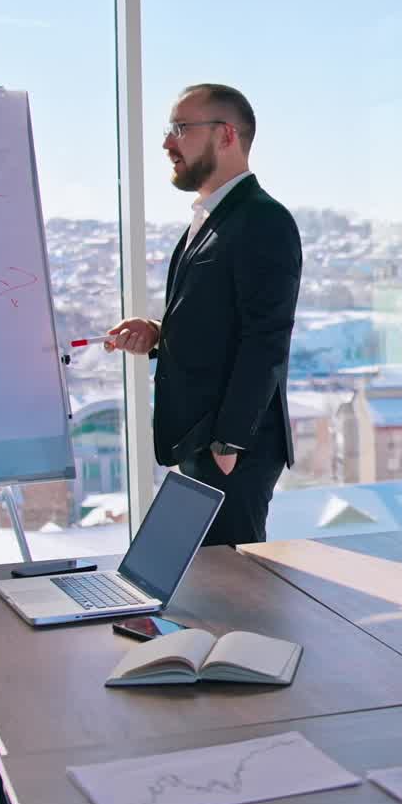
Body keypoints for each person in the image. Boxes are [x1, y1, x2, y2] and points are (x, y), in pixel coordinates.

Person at [108, 84, 302, 547]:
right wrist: (157, 332)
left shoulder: (263, 219)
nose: (166, 144)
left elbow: (266, 339)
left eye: (180, 129)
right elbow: (222, 323)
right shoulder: (213, 217)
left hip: (233, 446)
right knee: (208, 587)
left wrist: (230, 443)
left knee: (236, 590)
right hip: (204, 441)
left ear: (226, 135)